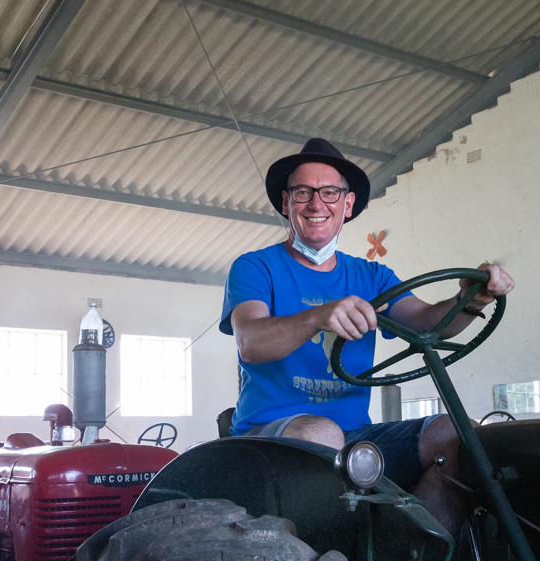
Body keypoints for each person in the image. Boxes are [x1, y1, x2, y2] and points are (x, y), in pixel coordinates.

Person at [219, 138, 514, 534]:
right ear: (286, 203)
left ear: (348, 204)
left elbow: (427, 324)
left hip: (356, 437)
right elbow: (250, 343)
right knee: (322, 433)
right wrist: (318, 316)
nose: (316, 204)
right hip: (271, 437)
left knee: (455, 435)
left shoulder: (372, 277)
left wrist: (470, 300)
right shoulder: (256, 267)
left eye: (329, 192)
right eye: (303, 192)